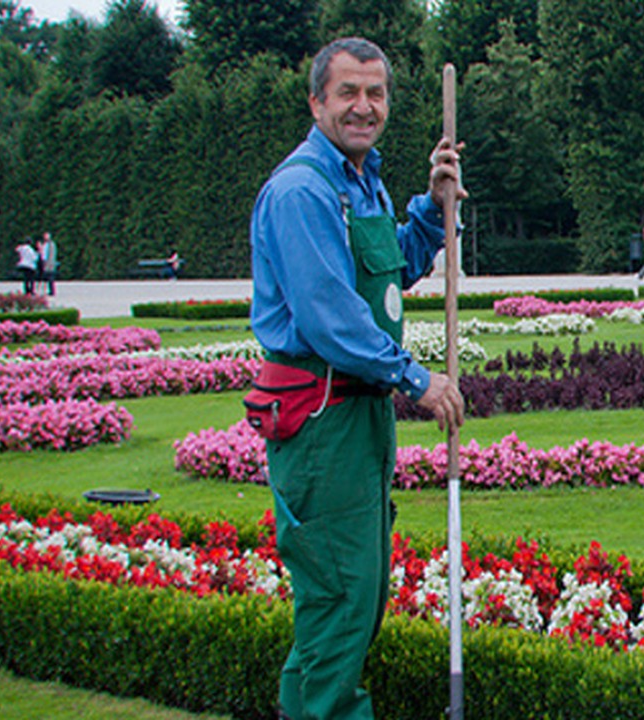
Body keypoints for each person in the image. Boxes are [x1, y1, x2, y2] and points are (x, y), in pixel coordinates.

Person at [249, 37, 466, 720]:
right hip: (322, 418)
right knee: (342, 598)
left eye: (375, 94)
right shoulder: (301, 191)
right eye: (348, 92)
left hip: (359, 420)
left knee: (353, 598)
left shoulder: (359, 179)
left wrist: (431, 210)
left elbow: (388, 273)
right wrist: (415, 378)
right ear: (317, 102)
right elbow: (330, 318)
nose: (363, 106)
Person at [37, 232, 57, 296]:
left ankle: (52, 290)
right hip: (46, 262)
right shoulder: (46, 244)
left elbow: (49, 254)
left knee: (50, 276)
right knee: (48, 277)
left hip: (49, 263)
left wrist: (48, 262)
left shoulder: (50, 244)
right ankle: (49, 290)